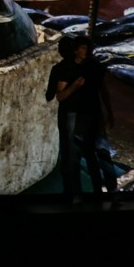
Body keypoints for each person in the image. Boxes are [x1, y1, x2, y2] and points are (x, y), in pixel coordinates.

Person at [45, 36, 118, 197]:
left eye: (86, 47)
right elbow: (58, 96)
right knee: (80, 156)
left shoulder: (85, 66)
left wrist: (109, 112)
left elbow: (54, 96)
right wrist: (74, 87)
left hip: (85, 115)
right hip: (78, 116)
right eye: (83, 48)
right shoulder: (66, 68)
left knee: (85, 155)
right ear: (75, 50)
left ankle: (100, 191)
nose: (86, 51)